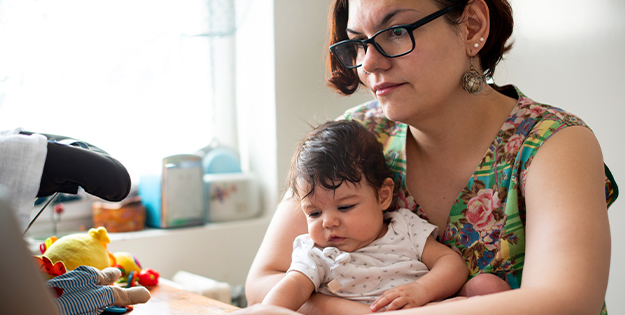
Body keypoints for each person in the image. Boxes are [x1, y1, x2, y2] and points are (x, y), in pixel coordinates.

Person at [243, 0, 618, 314]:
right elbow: (263, 281)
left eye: (395, 32)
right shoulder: (357, 138)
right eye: (358, 44)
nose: (369, 64)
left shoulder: (553, 142)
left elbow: (567, 302)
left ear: (471, 26)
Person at [262, 120, 499, 312]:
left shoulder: (404, 226)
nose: (328, 222)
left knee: (486, 286)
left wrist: (422, 290)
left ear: (383, 196)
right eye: (314, 212)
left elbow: (451, 263)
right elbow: (292, 289)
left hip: (427, 306)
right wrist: (267, 310)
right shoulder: (315, 253)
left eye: (345, 207)